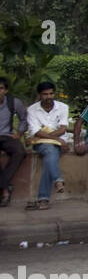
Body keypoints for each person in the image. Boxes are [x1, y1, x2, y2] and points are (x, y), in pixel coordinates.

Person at [25, 82, 70, 210]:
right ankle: (57, 179)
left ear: (54, 94)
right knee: (50, 150)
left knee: (50, 157)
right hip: (42, 143)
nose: (48, 96)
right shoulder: (32, 109)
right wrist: (56, 139)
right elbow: (36, 131)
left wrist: (48, 137)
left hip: (52, 140)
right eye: (45, 94)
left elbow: (62, 129)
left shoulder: (63, 107)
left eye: (51, 93)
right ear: (40, 95)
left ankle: (44, 199)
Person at [0, 77, 28, 207]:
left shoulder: (13, 102)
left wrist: (19, 133)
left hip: (7, 136)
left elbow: (24, 118)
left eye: (0, 88)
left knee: (20, 151)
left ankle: (3, 184)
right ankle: (5, 189)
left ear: (5, 90)